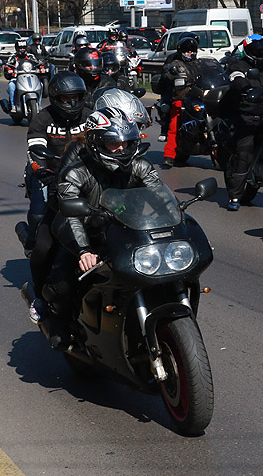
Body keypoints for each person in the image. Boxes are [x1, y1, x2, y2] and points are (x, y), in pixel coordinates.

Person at [25, 107, 161, 330]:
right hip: (86, 233)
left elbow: (160, 199)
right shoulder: (76, 171)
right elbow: (70, 214)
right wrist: (83, 250)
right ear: (97, 142)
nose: (121, 148)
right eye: (113, 143)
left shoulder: (140, 166)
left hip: (122, 231)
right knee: (61, 284)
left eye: (126, 143)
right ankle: (53, 315)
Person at [16, 71, 87, 254]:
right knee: (39, 213)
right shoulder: (43, 118)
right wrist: (42, 170)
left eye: (76, 97)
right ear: (56, 98)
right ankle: (32, 243)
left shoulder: (89, 115)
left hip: (85, 172)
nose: (72, 103)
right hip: (50, 172)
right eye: (66, 98)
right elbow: (35, 147)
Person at [222, 34, 263, 211]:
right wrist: (247, 89)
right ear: (247, 52)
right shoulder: (237, 65)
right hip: (247, 114)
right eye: (257, 51)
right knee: (244, 152)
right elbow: (237, 79)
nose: (261, 54)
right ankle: (235, 197)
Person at [161, 31, 199, 168]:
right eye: (187, 51)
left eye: (192, 51)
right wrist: (170, 73)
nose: (190, 53)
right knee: (174, 127)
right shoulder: (175, 63)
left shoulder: (198, 64)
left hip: (197, 98)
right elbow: (166, 76)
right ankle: (169, 156)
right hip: (181, 99)